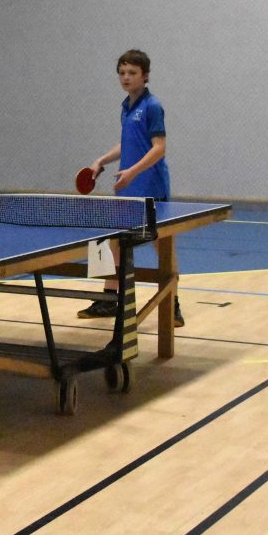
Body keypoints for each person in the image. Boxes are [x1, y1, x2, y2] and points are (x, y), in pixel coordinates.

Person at [79, 49, 184, 327]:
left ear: (145, 76)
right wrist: (102, 160)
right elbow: (127, 143)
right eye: (122, 73)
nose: (126, 77)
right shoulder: (126, 106)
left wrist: (132, 172)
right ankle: (108, 299)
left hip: (151, 189)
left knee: (162, 246)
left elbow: (159, 148)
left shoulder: (152, 106)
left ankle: (172, 304)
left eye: (132, 73)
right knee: (110, 241)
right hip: (126, 188)